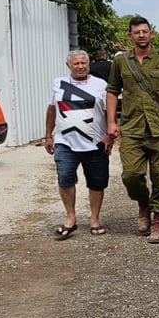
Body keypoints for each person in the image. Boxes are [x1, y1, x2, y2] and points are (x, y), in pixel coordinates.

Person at [106, 16, 159, 243]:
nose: (141, 35)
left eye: (145, 31)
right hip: (132, 128)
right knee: (131, 175)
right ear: (130, 36)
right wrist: (111, 122)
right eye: (137, 32)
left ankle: (158, 221)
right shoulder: (121, 62)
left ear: (151, 33)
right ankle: (144, 204)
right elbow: (112, 90)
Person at [45, 49, 113, 239]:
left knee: (97, 182)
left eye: (84, 63)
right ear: (68, 65)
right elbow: (51, 109)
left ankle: (94, 219)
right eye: (76, 63)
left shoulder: (101, 85)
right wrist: (48, 135)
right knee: (65, 179)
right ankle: (70, 218)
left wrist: (111, 136)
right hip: (65, 142)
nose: (81, 66)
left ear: (89, 63)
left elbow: (110, 112)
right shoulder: (58, 83)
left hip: (95, 143)